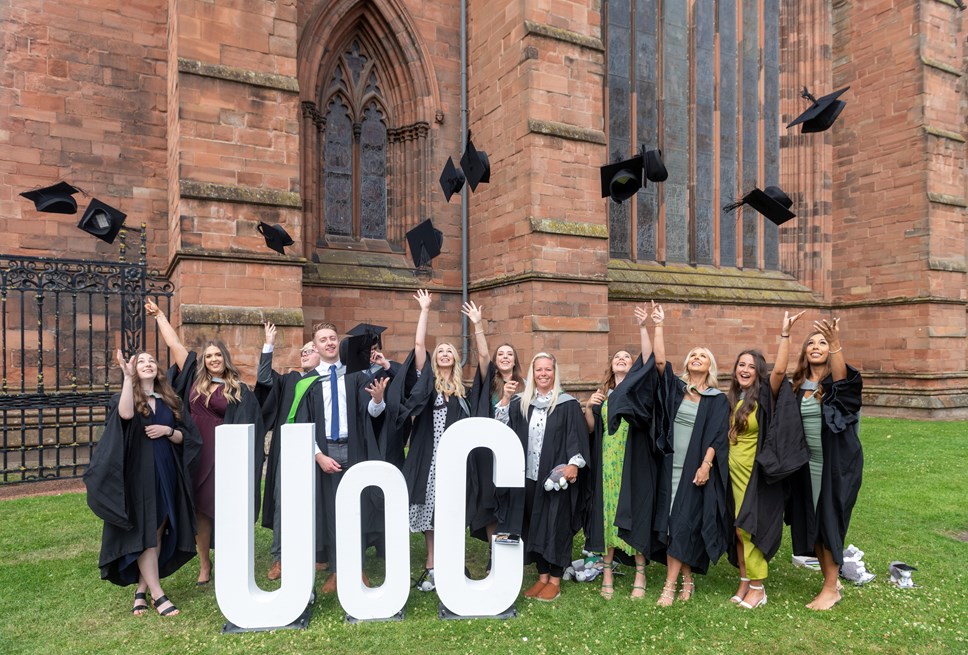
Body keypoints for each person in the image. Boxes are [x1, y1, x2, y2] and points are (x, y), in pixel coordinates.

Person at [146, 299, 264, 586]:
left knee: (225, 507)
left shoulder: (239, 390)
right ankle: (204, 564)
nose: (213, 359)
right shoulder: (193, 383)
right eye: (209, 356)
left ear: (225, 358)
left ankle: (229, 559)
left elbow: (251, 425)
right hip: (196, 454)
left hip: (225, 455)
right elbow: (176, 349)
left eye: (217, 355)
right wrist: (161, 316)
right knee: (200, 508)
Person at [84, 350, 201, 617]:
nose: (147, 364)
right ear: (135, 370)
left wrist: (168, 431)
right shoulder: (126, 397)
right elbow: (125, 416)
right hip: (140, 473)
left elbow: (187, 436)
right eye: (141, 362)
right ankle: (158, 595)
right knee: (146, 530)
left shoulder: (170, 400)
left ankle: (140, 590)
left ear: (158, 369)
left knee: (157, 530)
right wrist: (127, 378)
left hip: (166, 469)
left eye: (151, 361)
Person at [293, 321, 389, 593]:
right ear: (316, 346)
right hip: (327, 452)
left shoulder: (356, 375)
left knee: (356, 509)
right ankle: (336, 570)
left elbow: (370, 413)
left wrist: (379, 400)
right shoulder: (309, 382)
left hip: (355, 448)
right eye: (323, 339)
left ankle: (356, 567)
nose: (329, 343)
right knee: (333, 512)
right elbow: (303, 422)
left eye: (333, 338)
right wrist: (317, 454)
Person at [386, 290, 471, 591]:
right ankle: (432, 562)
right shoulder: (427, 384)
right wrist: (425, 309)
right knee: (428, 506)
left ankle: (452, 561)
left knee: (451, 508)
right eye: (441, 351)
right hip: (428, 453)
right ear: (436, 359)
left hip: (453, 458)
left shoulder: (463, 392)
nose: (445, 353)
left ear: (456, 358)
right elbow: (419, 344)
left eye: (449, 350)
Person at [777, 315, 863, 610]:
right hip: (806, 465)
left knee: (829, 521)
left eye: (822, 342)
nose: (816, 346)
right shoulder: (797, 386)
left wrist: (837, 342)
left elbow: (845, 387)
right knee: (810, 522)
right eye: (811, 343)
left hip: (835, 465)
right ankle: (832, 578)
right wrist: (785, 335)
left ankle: (830, 589)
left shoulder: (834, 385)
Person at [495, 352, 590, 602]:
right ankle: (542, 575)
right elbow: (501, 425)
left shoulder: (566, 404)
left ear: (554, 372)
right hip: (529, 477)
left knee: (556, 524)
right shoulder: (522, 403)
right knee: (534, 525)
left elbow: (576, 437)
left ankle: (556, 579)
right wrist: (505, 398)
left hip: (555, 478)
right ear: (532, 373)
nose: (543, 374)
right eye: (539, 370)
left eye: (548, 369)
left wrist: (573, 465)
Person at [652, 306, 730, 606]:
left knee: (683, 523)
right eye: (693, 355)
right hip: (669, 465)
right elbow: (659, 362)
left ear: (710, 365)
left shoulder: (716, 400)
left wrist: (707, 464)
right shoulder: (675, 388)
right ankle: (687, 580)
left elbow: (717, 435)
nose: (696, 357)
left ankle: (668, 588)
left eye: (703, 355)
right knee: (673, 524)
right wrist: (659, 325)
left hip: (694, 468)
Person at [583, 303, 659, 600]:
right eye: (618, 357)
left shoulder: (638, 392)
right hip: (608, 464)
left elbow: (649, 360)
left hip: (633, 461)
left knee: (635, 510)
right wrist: (590, 407)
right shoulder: (605, 395)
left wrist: (643, 327)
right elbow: (592, 429)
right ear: (611, 366)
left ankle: (640, 572)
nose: (622, 360)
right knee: (607, 514)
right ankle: (606, 571)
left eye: (627, 357)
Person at [256, 323, 322, 581]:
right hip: (289, 449)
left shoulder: (330, 380)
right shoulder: (291, 380)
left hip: (320, 449)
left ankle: (319, 553)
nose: (305, 353)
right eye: (303, 351)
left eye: (311, 349)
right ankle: (280, 557)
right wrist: (268, 344)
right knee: (283, 500)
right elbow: (263, 378)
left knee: (319, 500)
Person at [462, 301, 526, 545]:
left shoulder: (525, 384)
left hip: (516, 450)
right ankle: (493, 553)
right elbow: (483, 355)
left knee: (511, 498)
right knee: (490, 501)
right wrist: (478, 324)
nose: (505, 357)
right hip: (490, 452)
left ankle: (510, 548)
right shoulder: (490, 381)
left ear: (516, 360)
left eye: (510, 354)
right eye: (501, 354)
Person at [724, 347, 779, 609]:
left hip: (752, 474)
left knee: (749, 528)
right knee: (737, 530)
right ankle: (745, 581)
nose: (744, 370)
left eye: (751, 366)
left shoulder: (764, 398)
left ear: (759, 373)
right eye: (741, 364)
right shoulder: (735, 397)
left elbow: (780, 372)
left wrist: (785, 336)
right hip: (732, 473)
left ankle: (758, 588)